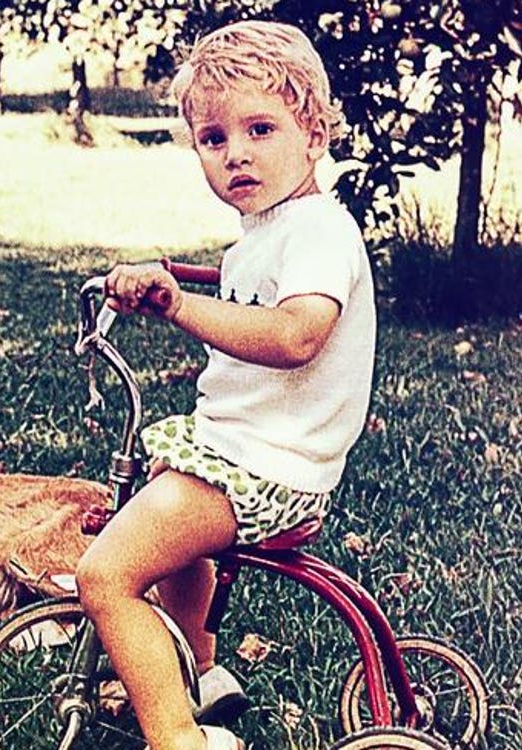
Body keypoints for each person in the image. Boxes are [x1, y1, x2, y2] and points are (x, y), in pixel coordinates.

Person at [76, 20, 377, 750]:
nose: (235, 152)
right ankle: (202, 674)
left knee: (105, 574)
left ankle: (178, 737)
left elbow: (294, 334)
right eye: (213, 138)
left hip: (268, 469)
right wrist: (168, 275)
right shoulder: (270, 229)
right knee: (168, 519)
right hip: (242, 453)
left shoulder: (318, 232)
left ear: (314, 135)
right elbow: (245, 286)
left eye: (260, 129)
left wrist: (178, 305)